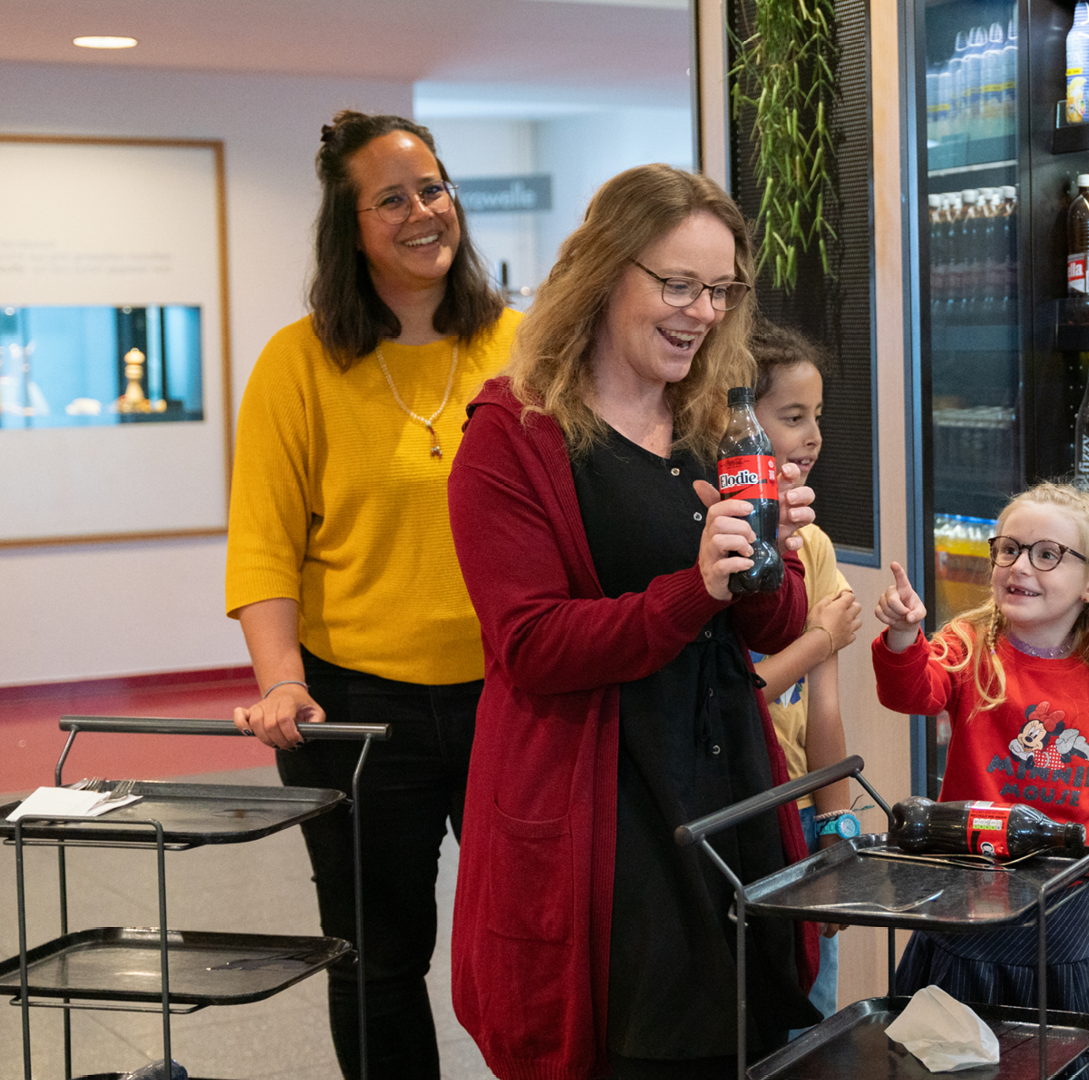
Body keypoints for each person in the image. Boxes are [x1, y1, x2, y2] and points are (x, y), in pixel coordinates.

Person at [446, 163, 822, 1080]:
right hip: (607, 818)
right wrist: (695, 587)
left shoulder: (713, 421)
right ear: (606, 272)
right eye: (678, 284)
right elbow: (530, 646)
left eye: (720, 291)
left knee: (750, 1035)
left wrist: (767, 554)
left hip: (728, 790)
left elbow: (770, 628)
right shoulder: (514, 433)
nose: (701, 311)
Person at [224, 110, 515, 1079]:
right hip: (352, 707)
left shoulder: (526, 345)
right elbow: (264, 542)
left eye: (432, 187)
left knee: (531, 942)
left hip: (512, 696)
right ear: (348, 228)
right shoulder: (297, 363)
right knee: (377, 960)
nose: (423, 211)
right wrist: (280, 680)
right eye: (391, 198)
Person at [871, 482, 1089, 1080]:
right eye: (1009, 549)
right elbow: (911, 690)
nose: (1020, 566)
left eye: (1047, 554)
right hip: (962, 927)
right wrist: (902, 635)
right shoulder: (972, 644)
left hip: (1064, 936)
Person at [743, 320, 863, 1024]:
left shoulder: (814, 546)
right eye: (793, 417)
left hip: (799, 821)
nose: (813, 436)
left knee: (814, 1021)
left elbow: (823, 707)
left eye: (818, 416)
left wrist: (836, 826)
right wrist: (820, 638)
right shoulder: (715, 540)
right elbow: (731, 698)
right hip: (737, 817)